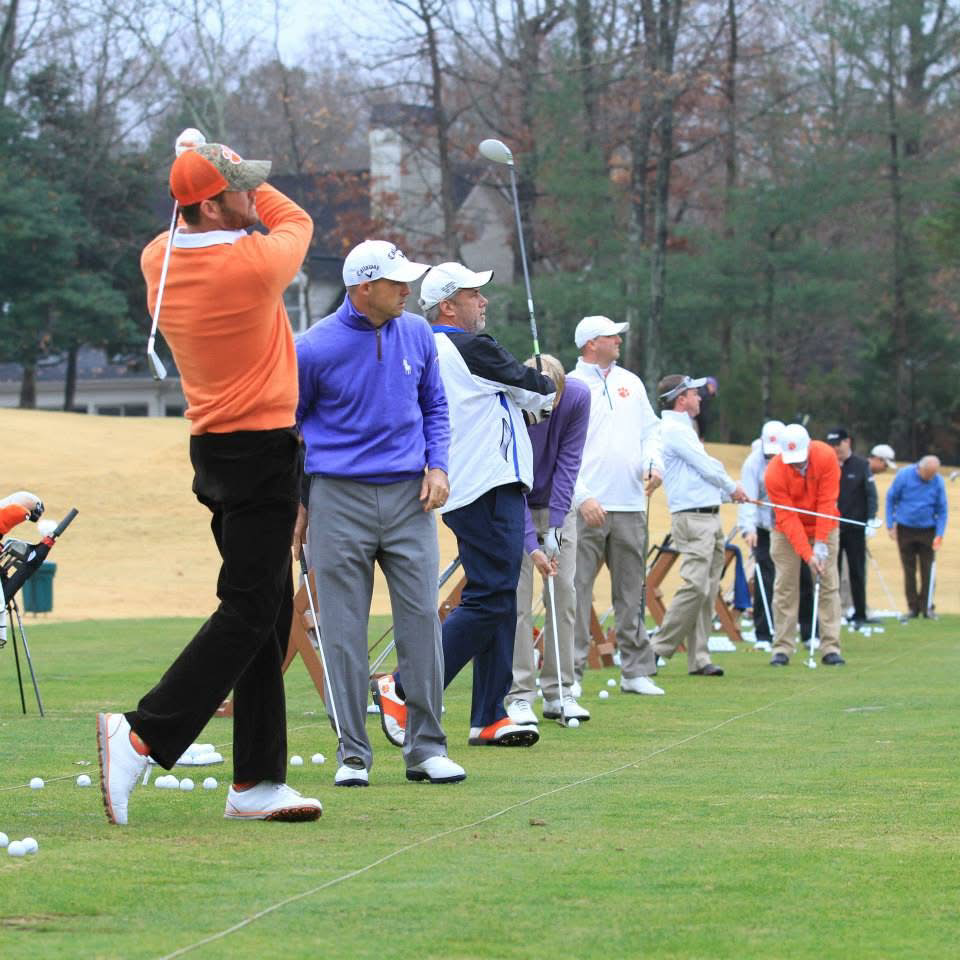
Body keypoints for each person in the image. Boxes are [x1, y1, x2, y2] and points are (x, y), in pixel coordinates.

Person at [97, 139, 322, 825]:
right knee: (249, 611)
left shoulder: (157, 261)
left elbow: (195, 218)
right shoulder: (252, 264)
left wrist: (204, 167)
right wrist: (214, 165)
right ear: (211, 202)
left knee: (269, 611)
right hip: (260, 453)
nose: (253, 197)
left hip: (213, 451)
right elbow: (298, 219)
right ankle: (141, 733)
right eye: (239, 189)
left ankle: (256, 782)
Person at [296, 240, 465, 787]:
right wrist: (300, 504)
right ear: (363, 288)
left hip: (409, 497)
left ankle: (426, 748)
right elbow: (290, 430)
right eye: (396, 283)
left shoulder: (417, 332)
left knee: (420, 620)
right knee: (343, 628)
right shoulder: (313, 347)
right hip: (337, 497)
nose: (407, 290)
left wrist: (437, 465)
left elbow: (434, 406)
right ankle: (352, 754)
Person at [374, 262, 555, 747]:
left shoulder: (430, 346)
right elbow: (540, 390)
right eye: (476, 295)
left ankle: (488, 715)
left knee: (493, 596)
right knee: (492, 595)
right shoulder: (470, 345)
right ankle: (403, 686)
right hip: (486, 485)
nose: (485, 302)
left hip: (468, 484)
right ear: (448, 305)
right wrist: (537, 391)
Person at [568, 315, 665, 696]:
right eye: (613, 336)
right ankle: (570, 675)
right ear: (592, 343)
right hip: (584, 505)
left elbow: (651, 431)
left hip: (629, 503)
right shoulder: (571, 385)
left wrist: (654, 464)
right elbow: (559, 449)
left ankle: (635, 670)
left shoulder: (631, 382)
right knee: (575, 591)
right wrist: (582, 495)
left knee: (631, 590)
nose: (620, 341)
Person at [508, 354, 590, 727]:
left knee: (563, 596)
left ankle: (560, 691)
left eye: (553, 399)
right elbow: (514, 478)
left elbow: (569, 463)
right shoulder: (512, 399)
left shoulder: (577, 396)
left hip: (558, 504)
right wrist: (532, 542)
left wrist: (556, 525)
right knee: (518, 604)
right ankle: (520, 695)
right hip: (515, 506)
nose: (548, 408)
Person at [652, 375, 747, 677]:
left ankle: (699, 657)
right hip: (692, 518)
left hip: (708, 515)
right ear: (681, 399)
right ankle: (654, 650)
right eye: (695, 393)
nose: (700, 398)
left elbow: (702, 475)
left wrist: (729, 494)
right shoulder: (672, 429)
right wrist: (733, 487)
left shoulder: (685, 430)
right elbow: (707, 467)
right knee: (695, 585)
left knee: (708, 589)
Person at [764, 423, 844, 667]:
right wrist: (809, 554)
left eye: (800, 459)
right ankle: (782, 648)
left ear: (808, 446)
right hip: (786, 531)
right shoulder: (774, 472)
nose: (797, 465)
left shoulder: (826, 456)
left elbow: (827, 502)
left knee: (828, 584)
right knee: (785, 587)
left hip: (825, 523)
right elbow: (788, 518)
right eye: (792, 461)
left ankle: (830, 647)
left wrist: (820, 543)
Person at [738, 421, 785, 651]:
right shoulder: (753, 463)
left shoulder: (792, 458)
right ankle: (763, 634)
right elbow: (748, 498)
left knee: (797, 578)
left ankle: (807, 631)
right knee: (764, 579)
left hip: (788, 527)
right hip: (763, 527)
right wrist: (748, 529)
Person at [825, 427, 878, 628]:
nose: (835, 448)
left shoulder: (861, 465)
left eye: (838, 444)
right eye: (832, 445)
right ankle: (834, 613)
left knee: (857, 572)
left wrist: (871, 519)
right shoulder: (827, 464)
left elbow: (870, 494)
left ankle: (860, 613)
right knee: (833, 573)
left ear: (847, 442)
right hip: (832, 527)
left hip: (855, 528)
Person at [886, 455, 948, 618]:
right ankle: (913, 608)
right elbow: (891, 498)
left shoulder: (938, 481)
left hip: (928, 530)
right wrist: (890, 524)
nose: (931, 478)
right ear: (920, 468)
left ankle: (927, 607)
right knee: (909, 570)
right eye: (928, 474)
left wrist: (939, 534)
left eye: (933, 474)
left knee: (928, 570)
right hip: (905, 528)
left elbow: (942, 510)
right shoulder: (904, 475)